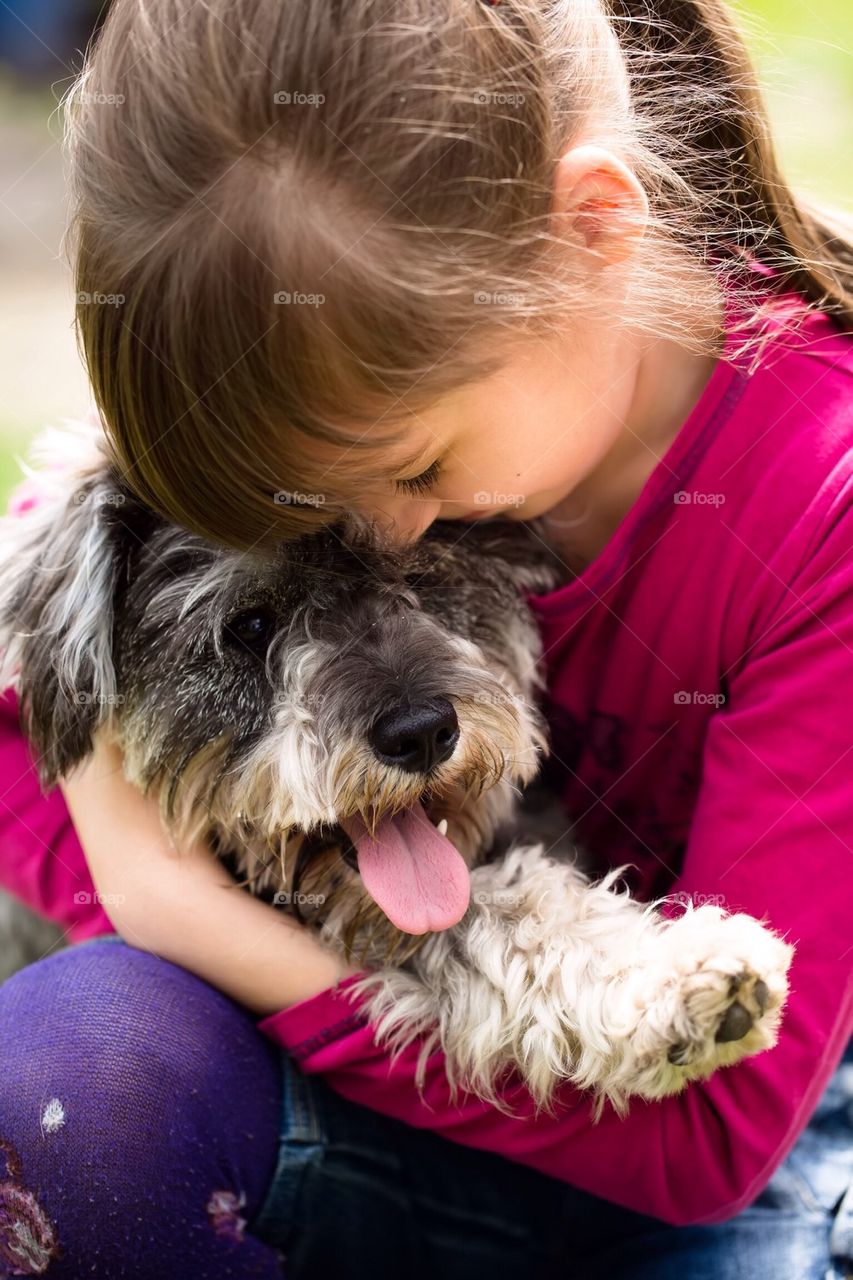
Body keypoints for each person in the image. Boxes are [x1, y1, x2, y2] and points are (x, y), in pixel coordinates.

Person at [0, 0, 851, 1274]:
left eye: (416, 470)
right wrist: (127, 878)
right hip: (295, 1116)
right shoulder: (299, 403)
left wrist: (189, 913)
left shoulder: (817, 506)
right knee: (67, 1077)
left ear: (596, 233)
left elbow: (709, 1131)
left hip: (670, 1160)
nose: (394, 523)